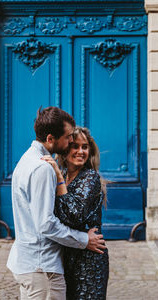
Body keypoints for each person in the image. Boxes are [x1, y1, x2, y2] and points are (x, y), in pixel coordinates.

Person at [7, 107, 106, 300]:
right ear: (51, 138)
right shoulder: (43, 168)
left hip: (36, 264)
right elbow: (46, 224)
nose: (71, 142)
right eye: (69, 137)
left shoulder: (26, 160)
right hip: (42, 266)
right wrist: (84, 240)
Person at [42, 126, 109, 300]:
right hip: (66, 254)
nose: (80, 151)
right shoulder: (63, 174)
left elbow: (74, 215)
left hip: (88, 260)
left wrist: (58, 177)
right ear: (65, 149)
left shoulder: (90, 177)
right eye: (75, 146)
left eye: (85, 147)